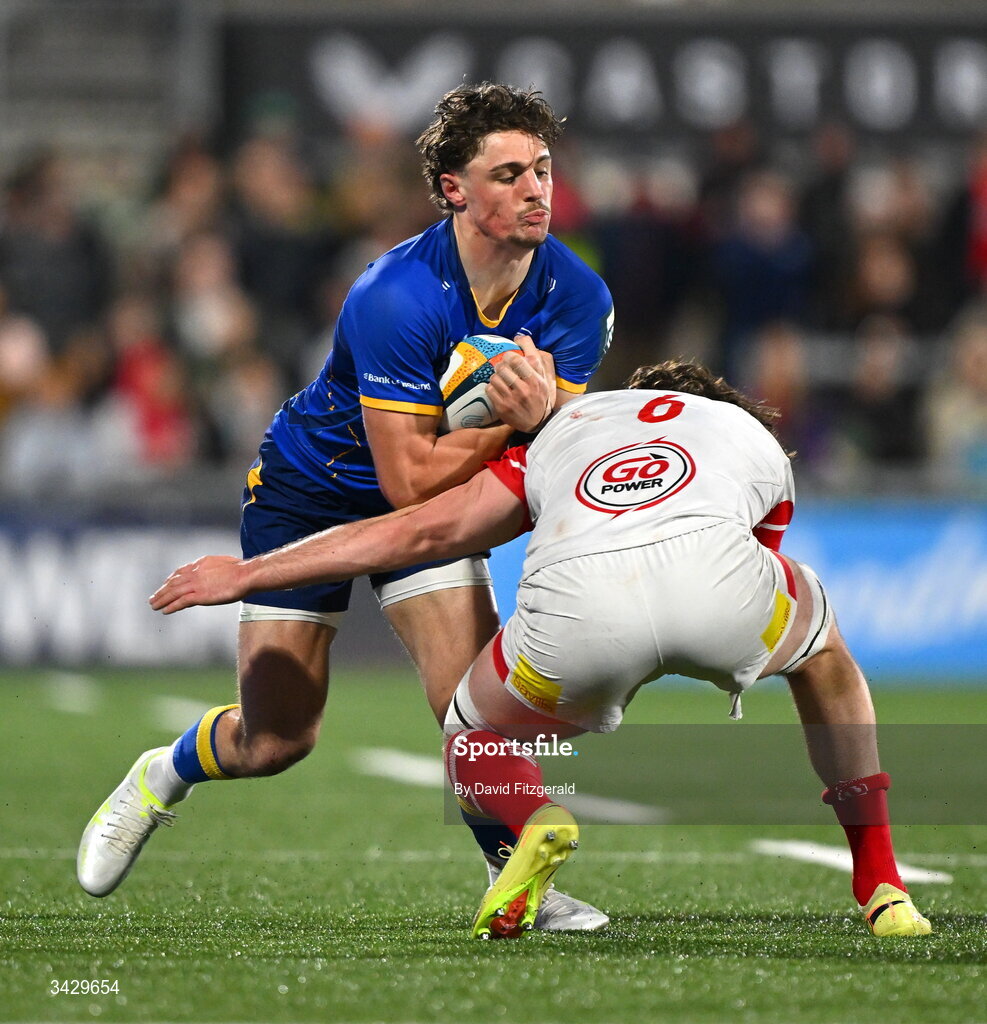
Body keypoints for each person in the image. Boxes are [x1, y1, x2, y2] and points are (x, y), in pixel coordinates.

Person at [77, 83, 614, 931]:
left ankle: (517, 881)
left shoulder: (578, 298)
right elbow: (405, 483)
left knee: (472, 711)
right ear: (453, 190)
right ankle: (162, 772)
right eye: (507, 173)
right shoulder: (395, 295)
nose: (535, 189)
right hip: (313, 490)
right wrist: (523, 417)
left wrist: (533, 428)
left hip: (436, 502)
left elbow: (532, 458)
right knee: (277, 741)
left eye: (542, 169)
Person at [148, 359, 931, 940]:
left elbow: (420, 531)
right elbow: (753, 549)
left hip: (576, 612)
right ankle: (881, 885)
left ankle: (529, 818)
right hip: (718, 584)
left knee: (468, 733)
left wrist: (247, 572)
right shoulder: (747, 433)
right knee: (823, 653)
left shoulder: (560, 434)